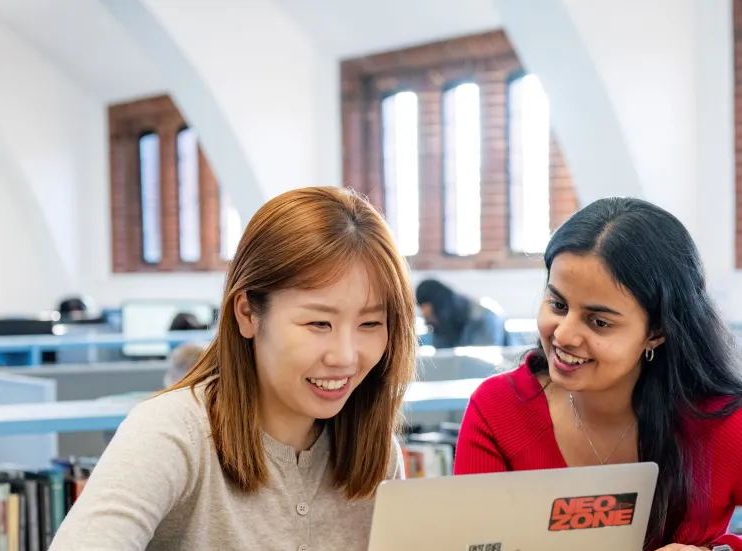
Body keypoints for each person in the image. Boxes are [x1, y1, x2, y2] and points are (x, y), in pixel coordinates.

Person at [50, 186, 418, 550]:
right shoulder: (175, 433)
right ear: (247, 314)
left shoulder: (376, 450)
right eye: (319, 324)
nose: (345, 356)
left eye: (370, 324)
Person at [453, 197, 742, 551]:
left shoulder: (722, 424)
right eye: (558, 305)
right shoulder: (497, 410)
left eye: (599, 322)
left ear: (657, 331)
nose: (563, 335)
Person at [415, 278, 507, 348]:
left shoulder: (484, 316)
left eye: (428, 313)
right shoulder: (441, 327)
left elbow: (483, 362)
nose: (426, 318)